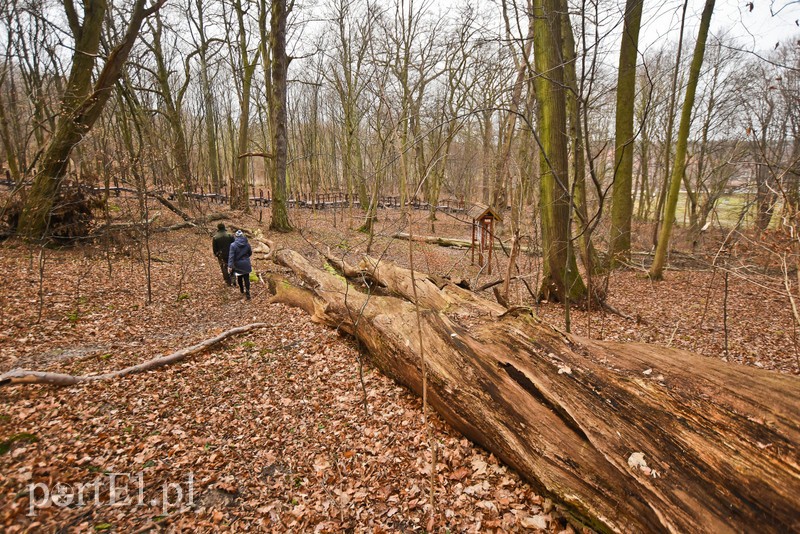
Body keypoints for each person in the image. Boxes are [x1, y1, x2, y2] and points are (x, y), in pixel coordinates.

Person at [228, 229, 253, 299]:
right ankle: (248, 293)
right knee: (246, 279)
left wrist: (230, 266)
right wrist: (246, 257)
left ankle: (242, 290)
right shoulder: (247, 244)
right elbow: (250, 253)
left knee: (239, 277)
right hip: (246, 263)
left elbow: (231, 256)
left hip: (238, 264)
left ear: (236, 236)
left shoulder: (233, 245)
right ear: (242, 235)